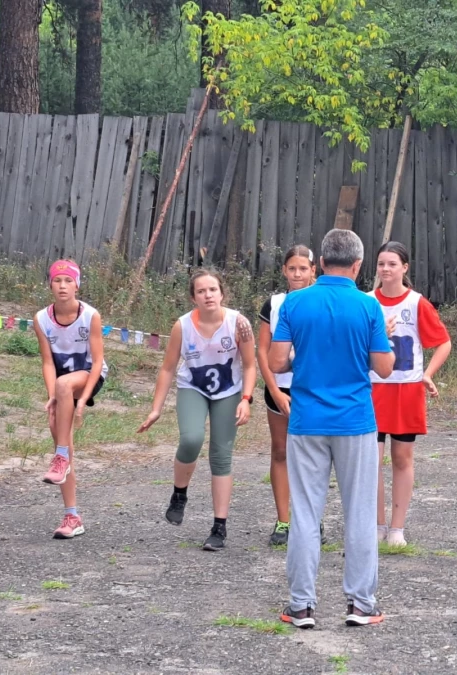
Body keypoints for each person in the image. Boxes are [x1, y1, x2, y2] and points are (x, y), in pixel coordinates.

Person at [269, 228, 395, 630]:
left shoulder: (294, 302)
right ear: (357, 265)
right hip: (355, 420)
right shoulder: (368, 306)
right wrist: (384, 340)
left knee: (305, 512)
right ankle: (361, 604)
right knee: (359, 514)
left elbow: (276, 363)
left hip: (307, 419)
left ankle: (301, 606)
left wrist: (298, 360)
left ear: (321, 263)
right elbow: (384, 367)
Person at [137, 269, 257, 552]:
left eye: (212, 290)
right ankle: (179, 494)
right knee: (191, 439)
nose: (208, 295)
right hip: (193, 387)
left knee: (221, 455)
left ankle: (219, 526)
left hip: (228, 391)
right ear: (194, 297)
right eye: (201, 291)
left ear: (222, 293)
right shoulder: (183, 326)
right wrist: (156, 409)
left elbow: (251, 365)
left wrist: (246, 399)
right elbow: (167, 368)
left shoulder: (238, 323)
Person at [371, 241, 452, 547]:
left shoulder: (417, 303)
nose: (385, 269)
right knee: (371, 460)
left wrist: (427, 374)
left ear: (404, 268)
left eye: (392, 264)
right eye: (381, 264)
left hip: (406, 390)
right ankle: (377, 524)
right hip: (373, 389)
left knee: (402, 458)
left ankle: (397, 528)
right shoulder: (366, 302)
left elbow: (443, 342)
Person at [34, 260, 108, 539]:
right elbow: (47, 362)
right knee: (62, 443)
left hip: (90, 376)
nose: (62, 286)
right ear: (50, 285)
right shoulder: (41, 318)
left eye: (68, 281)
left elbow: (99, 360)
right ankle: (72, 516)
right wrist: (52, 397)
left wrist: (82, 400)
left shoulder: (90, 315)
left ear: (77, 284)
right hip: (61, 385)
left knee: (66, 386)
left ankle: (60, 456)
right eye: (57, 281)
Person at [258, 245, 316, 547]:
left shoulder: (320, 301)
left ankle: (311, 519)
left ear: (313, 271)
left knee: (312, 456)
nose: (297, 274)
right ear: (284, 270)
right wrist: (273, 391)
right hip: (279, 386)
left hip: (312, 388)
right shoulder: (275, 303)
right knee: (280, 452)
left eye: (303, 269)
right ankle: (284, 520)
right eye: (292, 268)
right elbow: (262, 350)